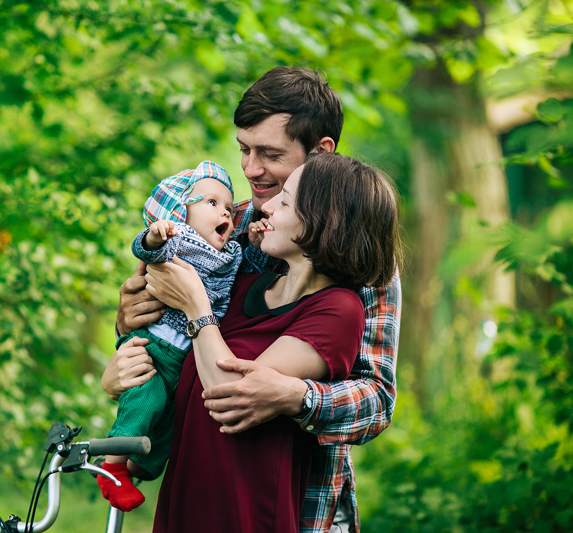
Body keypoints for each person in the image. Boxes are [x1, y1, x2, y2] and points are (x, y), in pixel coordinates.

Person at [104, 67, 402, 531]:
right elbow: (169, 340)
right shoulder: (219, 228)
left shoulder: (360, 262)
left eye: (270, 154)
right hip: (197, 483)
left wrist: (294, 395)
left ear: (321, 152)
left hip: (294, 500)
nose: (250, 169)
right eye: (244, 149)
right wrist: (127, 337)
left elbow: (377, 401)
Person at [97, 161, 242, 512]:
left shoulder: (230, 253)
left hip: (185, 358)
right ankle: (112, 467)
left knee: (168, 425)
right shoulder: (177, 239)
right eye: (211, 203)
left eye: (228, 207)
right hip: (154, 347)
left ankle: (137, 469)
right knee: (146, 400)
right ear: (179, 213)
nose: (225, 211)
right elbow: (146, 251)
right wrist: (155, 235)